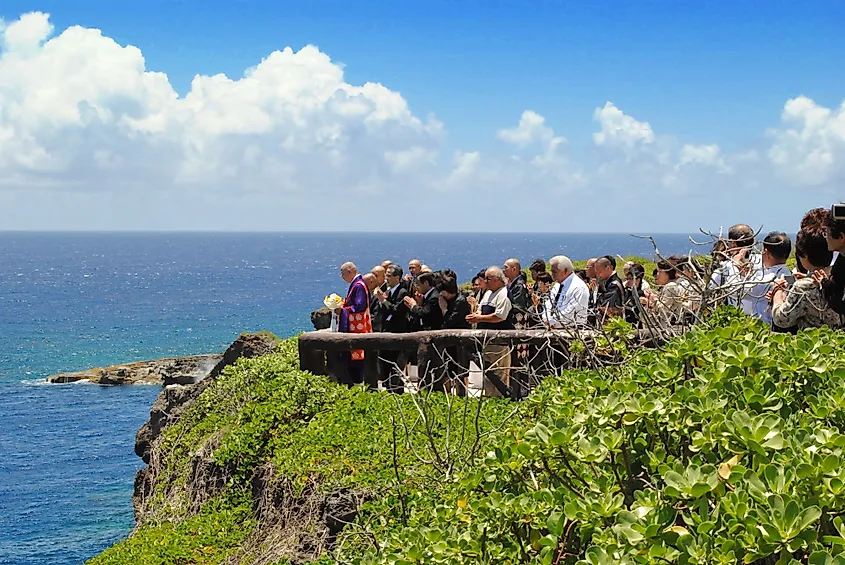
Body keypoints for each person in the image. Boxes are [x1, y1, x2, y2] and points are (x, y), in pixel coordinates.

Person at [772, 226, 842, 331]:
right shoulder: (838, 275)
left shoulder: (803, 287)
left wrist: (778, 292)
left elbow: (781, 319)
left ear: (804, 255)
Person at [466, 266, 513, 396]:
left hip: (499, 342)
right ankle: (488, 398)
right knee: (487, 373)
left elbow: (500, 316)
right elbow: (481, 309)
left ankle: (500, 399)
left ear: (497, 279)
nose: (484, 281)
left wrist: (479, 318)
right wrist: (476, 314)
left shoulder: (504, 293)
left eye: (487, 278)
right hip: (486, 340)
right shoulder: (488, 293)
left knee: (499, 373)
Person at [334, 262, 372, 385]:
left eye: (342, 273)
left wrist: (343, 310)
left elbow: (359, 306)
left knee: (356, 358)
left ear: (350, 271)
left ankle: (358, 383)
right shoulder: (356, 284)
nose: (342, 276)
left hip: (357, 327)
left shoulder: (359, 285)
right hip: (355, 326)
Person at [376, 264, 411, 392]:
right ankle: (388, 388)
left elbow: (397, 311)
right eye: (386, 276)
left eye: (389, 276)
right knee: (384, 363)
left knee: (393, 365)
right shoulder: (388, 290)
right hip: (386, 330)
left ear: (397, 277)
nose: (386, 279)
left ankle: (397, 390)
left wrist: (384, 301)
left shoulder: (403, 292)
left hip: (397, 332)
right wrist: (381, 301)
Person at [746, 231, 793, 326]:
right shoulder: (788, 274)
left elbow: (742, 289)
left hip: (763, 325)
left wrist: (739, 265)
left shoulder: (774, 278)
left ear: (766, 252)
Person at [539, 255, 589, 328]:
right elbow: (549, 304)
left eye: (555, 272)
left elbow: (571, 311)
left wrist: (553, 321)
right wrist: (546, 317)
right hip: (553, 328)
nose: (552, 275)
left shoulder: (578, 287)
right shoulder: (557, 286)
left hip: (573, 330)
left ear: (565, 270)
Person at [643, 259, 690, 324]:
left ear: (668, 273)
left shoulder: (671, 286)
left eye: (659, 271)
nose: (657, 275)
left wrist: (654, 298)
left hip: (670, 326)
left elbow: (664, 309)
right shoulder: (669, 286)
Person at [594, 257, 625, 324]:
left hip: (614, 322)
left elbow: (606, 306)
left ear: (608, 268)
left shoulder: (614, 285)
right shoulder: (606, 282)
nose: (598, 275)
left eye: (600, 272)